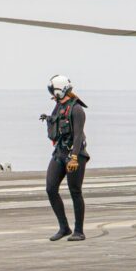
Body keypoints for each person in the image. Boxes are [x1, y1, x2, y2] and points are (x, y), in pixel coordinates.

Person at [40, 75, 89, 241]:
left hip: (74, 155)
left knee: (75, 191)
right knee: (50, 188)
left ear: (59, 91)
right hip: (59, 154)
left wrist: (74, 157)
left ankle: (79, 231)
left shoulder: (77, 109)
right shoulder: (59, 107)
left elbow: (78, 136)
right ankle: (64, 227)